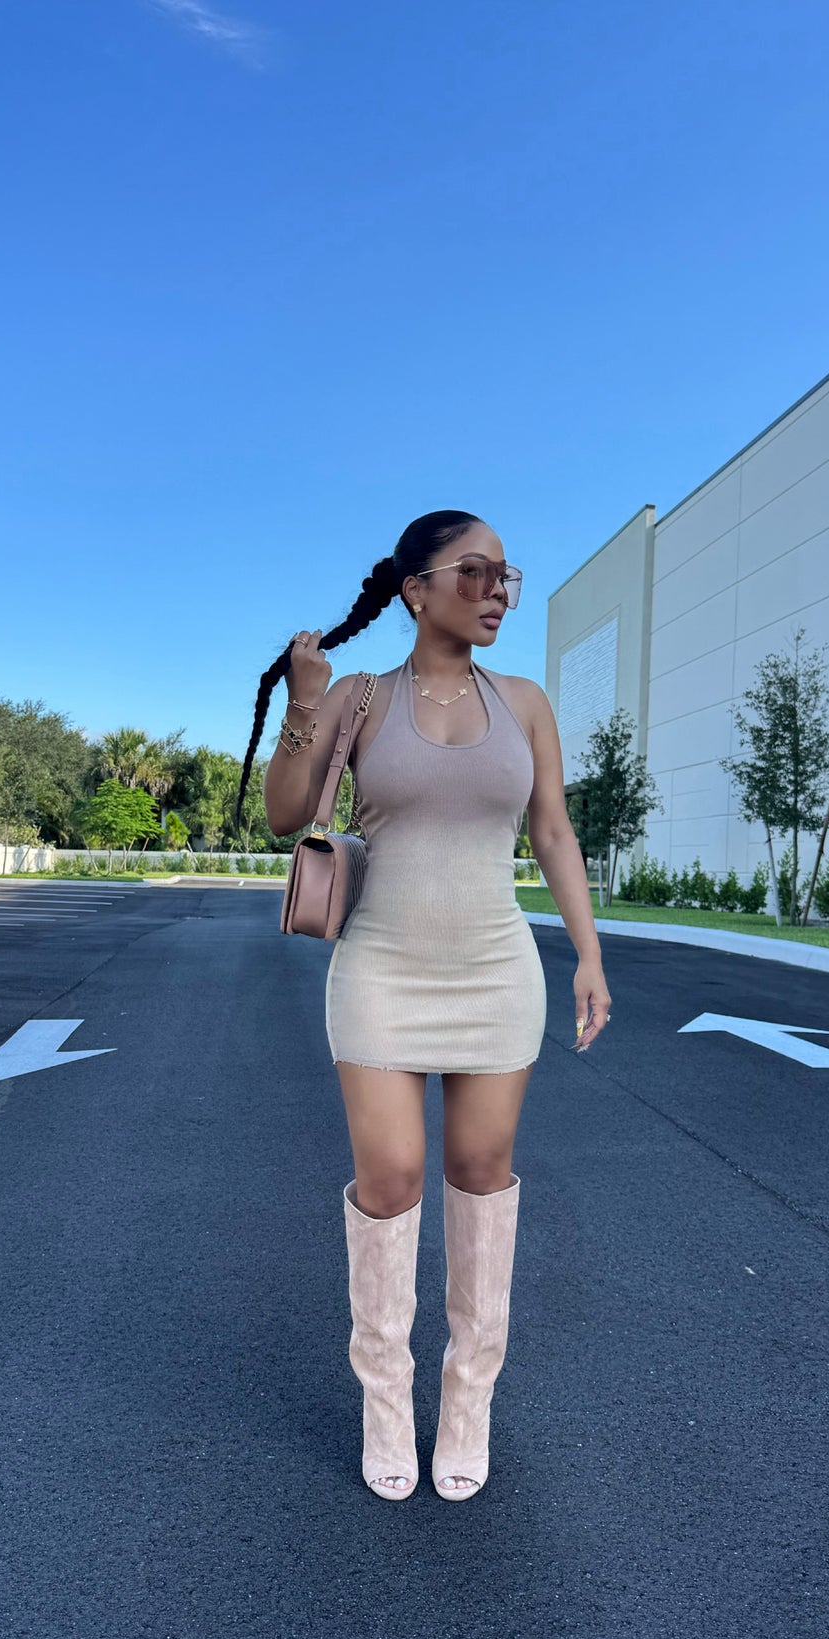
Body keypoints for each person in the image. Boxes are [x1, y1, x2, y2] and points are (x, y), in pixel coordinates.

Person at [234, 510, 612, 1502]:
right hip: (380, 968)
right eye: (475, 573)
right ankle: (385, 1403)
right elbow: (283, 815)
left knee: (481, 1173)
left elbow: (553, 832)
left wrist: (587, 954)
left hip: (495, 969)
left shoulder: (525, 702)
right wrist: (303, 704)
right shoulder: (359, 696)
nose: (497, 593)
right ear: (415, 589)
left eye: (505, 577)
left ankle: (468, 1402)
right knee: (391, 1176)